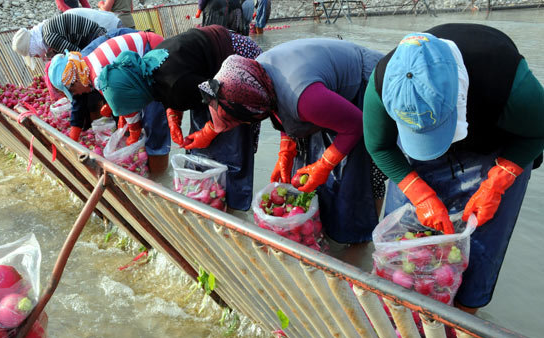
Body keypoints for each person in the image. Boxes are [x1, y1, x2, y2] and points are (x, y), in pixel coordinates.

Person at [362, 23, 544, 313]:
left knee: (480, 246)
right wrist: (421, 196)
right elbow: (380, 147)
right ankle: (405, 319)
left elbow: (537, 132)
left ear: (459, 94)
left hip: (494, 144)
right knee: (405, 245)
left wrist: (497, 183)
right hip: (422, 153)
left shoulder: (510, 83)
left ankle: (463, 316)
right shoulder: (386, 82)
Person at [186, 38, 386, 245]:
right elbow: (281, 108)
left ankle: (362, 244)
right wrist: (286, 153)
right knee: (325, 179)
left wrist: (324, 164)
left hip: (368, 85)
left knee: (365, 175)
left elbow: (356, 125)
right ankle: (335, 234)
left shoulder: (305, 98)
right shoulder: (256, 77)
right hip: (325, 96)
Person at [97, 25, 262, 210]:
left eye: (134, 107)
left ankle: (234, 212)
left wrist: (208, 131)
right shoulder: (148, 69)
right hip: (208, 74)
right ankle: (208, 200)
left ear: (136, 95)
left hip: (239, 57)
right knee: (204, 149)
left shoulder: (176, 84)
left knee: (234, 146)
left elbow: (225, 99)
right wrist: (173, 116)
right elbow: (171, 90)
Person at [47, 31, 171, 174]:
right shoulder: (87, 63)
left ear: (74, 81)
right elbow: (125, 95)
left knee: (154, 118)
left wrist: (133, 135)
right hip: (146, 47)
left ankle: (160, 175)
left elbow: (129, 109)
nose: (78, 95)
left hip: (152, 52)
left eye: (74, 92)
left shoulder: (98, 77)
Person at [12, 13, 107, 69]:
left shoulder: (49, 38)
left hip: (96, 38)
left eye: (33, 54)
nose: (37, 56)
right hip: (94, 36)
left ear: (32, 46)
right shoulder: (46, 28)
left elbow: (78, 55)